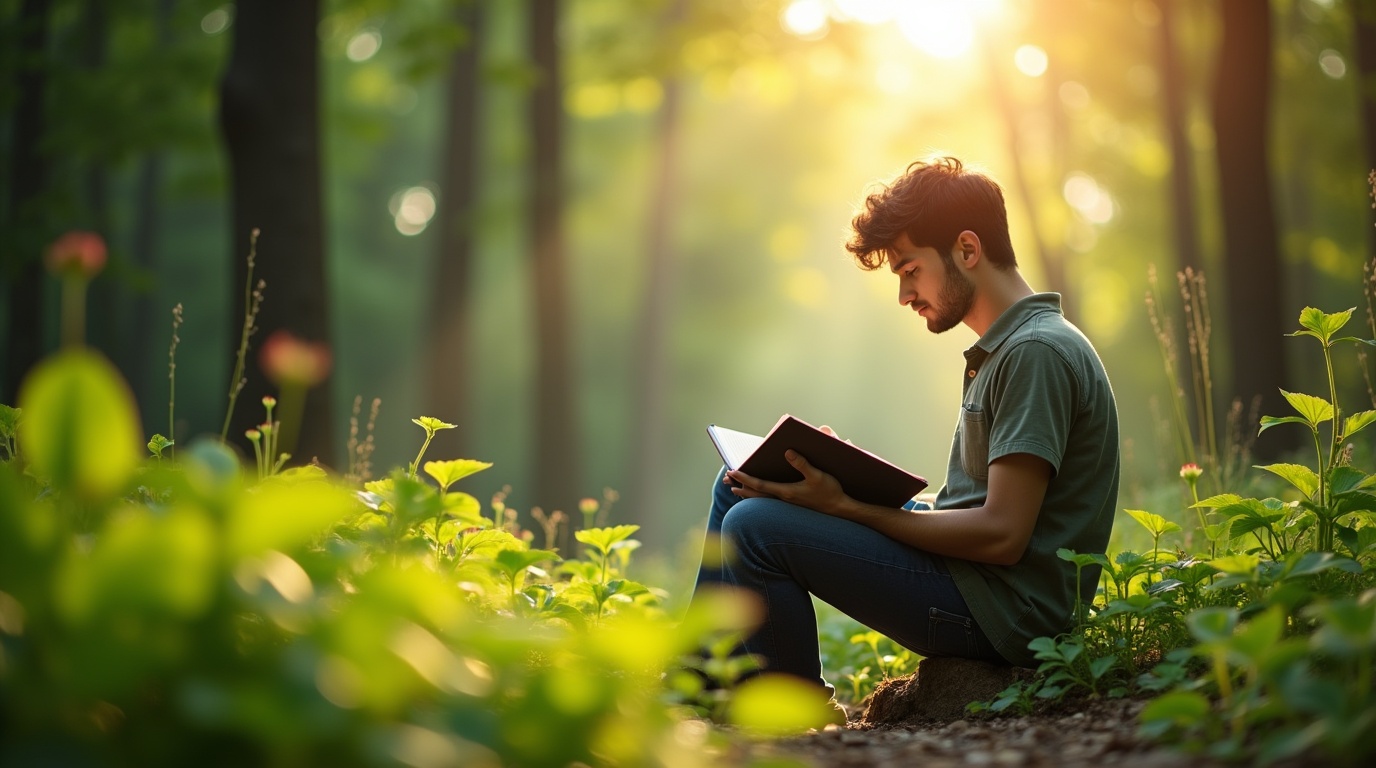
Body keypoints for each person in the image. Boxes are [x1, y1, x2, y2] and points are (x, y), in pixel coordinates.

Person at [690, 157, 1120, 699]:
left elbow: (1003, 535)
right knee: (738, 486)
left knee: (757, 525)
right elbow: (983, 513)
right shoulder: (1009, 349)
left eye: (910, 270)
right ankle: (694, 683)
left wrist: (847, 506)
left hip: (1007, 615)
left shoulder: (1035, 353)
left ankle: (794, 713)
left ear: (967, 249)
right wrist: (850, 482)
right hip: (973, 579)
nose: (904, 296)